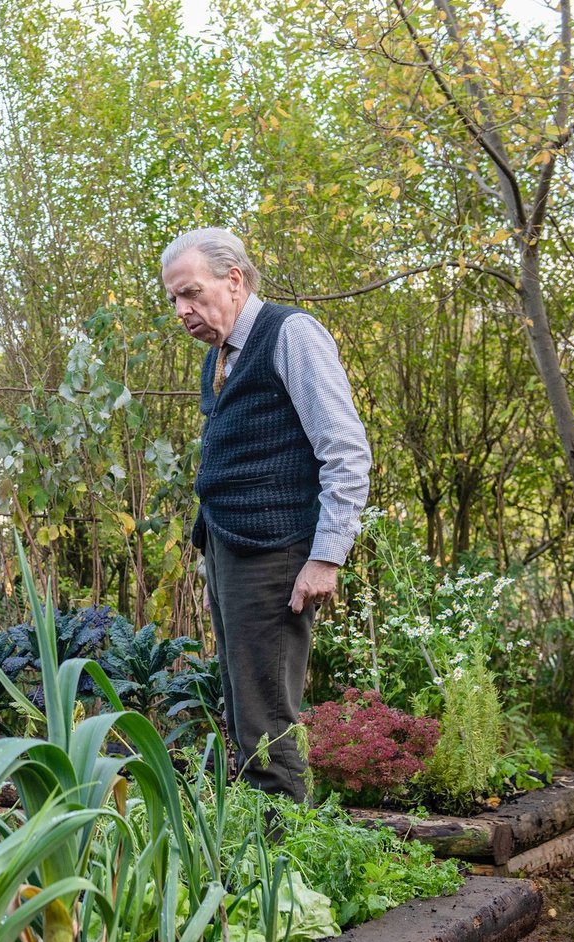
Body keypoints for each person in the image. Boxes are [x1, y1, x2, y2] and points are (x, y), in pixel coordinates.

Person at [161, 227, 370, 803]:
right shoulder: (219, 357)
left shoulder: (290, 334)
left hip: (276, 550)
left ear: (234, 280)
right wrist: (216, 565)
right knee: (243, 705)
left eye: (191, 293)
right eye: (174, 299)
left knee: (267, 713)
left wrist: (326, 556)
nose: (182, 310)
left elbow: (345, 450)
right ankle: (260, 844)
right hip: (230, 547)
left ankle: (283, 863)